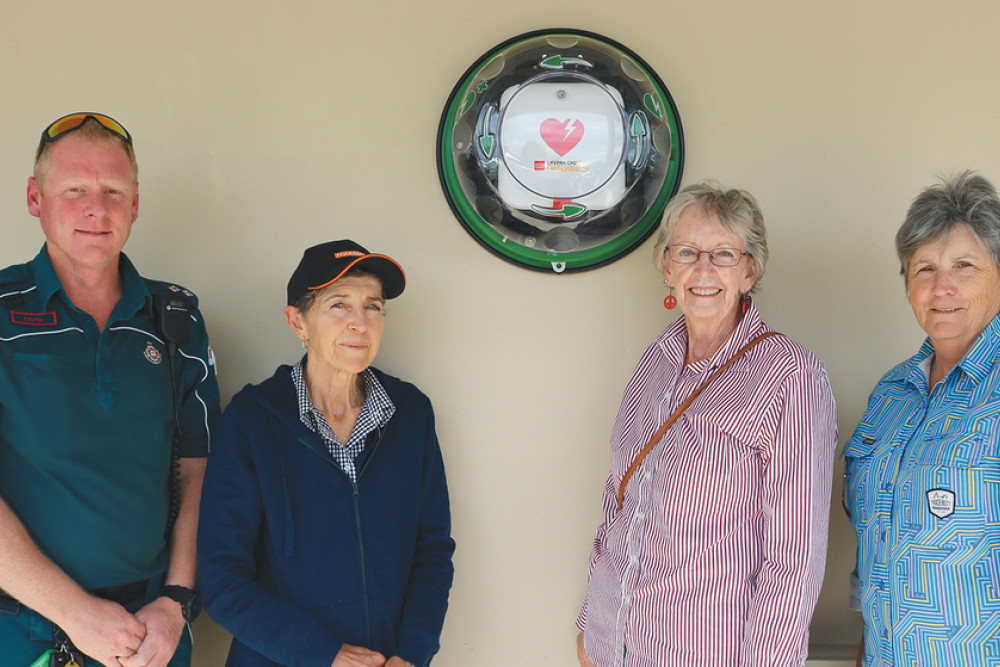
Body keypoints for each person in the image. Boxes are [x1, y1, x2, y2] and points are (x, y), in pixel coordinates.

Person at [576, 182, 838, 667]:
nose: (703, 269)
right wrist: (591, 624)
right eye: (688, 251)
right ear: (666, 266)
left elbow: (794, 562)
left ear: (750, 270)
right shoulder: (655, 361)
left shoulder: (789, 376)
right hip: (612, 648)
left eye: (723, 254)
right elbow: (618, 500)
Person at [0, 113, 220, 667]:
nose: (96, 208)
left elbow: (199, 470)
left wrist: (175, 604)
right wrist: (75, 613)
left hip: (151, 636)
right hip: (22, 634)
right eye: (74, 190)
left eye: (113, 191)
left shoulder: (176, 319)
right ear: (35, 197)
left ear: (136, 204)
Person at [198, 240, 455, 667]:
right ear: (298, 322)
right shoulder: (252, 421)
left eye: (373, 307)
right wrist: (326, 654)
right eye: (339, 305)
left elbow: (431, 551)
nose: (360, 323)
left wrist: (412, 653)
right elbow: (221, 579)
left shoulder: (410, 414)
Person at [844, 171, 1000, 666]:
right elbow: (873, 541)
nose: (942, 287)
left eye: (964, 265)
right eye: (925, 268)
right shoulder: (891, 393)